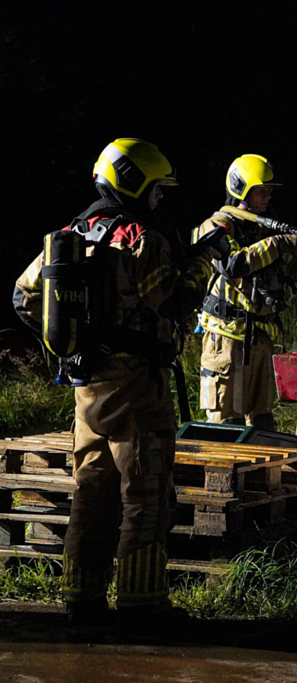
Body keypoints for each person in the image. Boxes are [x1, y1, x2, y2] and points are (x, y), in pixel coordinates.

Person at [13, 138, 216, 627]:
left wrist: (76, 344)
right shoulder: (140, 236)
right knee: (146, 493)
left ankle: (81, 598)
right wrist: (204, 259)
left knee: (91, 489)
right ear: (134, 181)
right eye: (156, 189)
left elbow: (23, 296)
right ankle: (142, 604)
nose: (160, 199)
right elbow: (170, 300)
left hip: (87, 384)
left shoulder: (69, 233)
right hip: (136, 386)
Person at [194, 154, 297, 430]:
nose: (267, 196)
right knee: (226, 423)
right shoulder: (218, 225)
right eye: (261, 190)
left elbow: (296, 274)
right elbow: (231, 265)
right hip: (227, 340)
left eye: (270, 191)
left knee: (263, 422)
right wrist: (278, 244)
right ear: (240, 188)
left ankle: (258, 475)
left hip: (260, 340)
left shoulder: (262, 230)